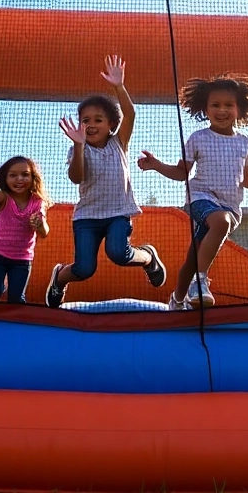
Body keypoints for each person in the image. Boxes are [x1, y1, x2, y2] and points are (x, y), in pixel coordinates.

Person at [138, 72, 248, 309]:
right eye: (215, 105)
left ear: (239, 108)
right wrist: (156, 165)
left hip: (230, 207)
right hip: (201, 198)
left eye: (228, 105)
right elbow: (182, 173)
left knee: (194, 258)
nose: (221, 110)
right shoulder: (198, 138)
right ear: (205, 109)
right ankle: (200, 283)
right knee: (220, 222)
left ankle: (177, 300)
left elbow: (247, 179)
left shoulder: (243, 142)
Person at [46, 55, 166, 307]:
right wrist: (78, 146)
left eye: (97, 120)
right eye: (85, 120)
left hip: (117, 213)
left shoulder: (118, 144)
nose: (90, 125)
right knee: (84, 269)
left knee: (118, 254)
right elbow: (76, 177)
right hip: (87, 217)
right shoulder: (78, 149)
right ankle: (59, 278)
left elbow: (130, 114)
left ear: (111, 124)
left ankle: (148, 258)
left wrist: (118, 86)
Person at [0, 156, 50, 303]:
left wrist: (39, 224)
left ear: (33, 177)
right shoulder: (4, 198)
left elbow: (44, 232)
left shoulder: (37, 201)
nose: (19, 179)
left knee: (16, 298)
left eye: (25, 175)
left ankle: (15, 323)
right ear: (5, 178)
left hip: (22, 259)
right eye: (13, 175)